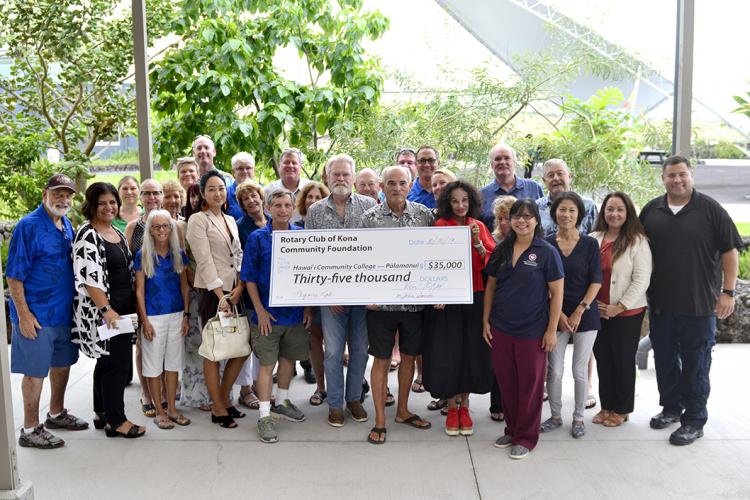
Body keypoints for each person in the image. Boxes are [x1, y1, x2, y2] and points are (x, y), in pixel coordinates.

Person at [639, 155, 742, 446]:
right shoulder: (652, 210)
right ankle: (671, 407)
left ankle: (694, 419)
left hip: (700, 305)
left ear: (691, 175)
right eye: (671, 175)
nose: (677, 180)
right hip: (661, 304)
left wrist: (728, 292)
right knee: (665, 360)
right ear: (663, 178)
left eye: (682, 174)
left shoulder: (710, 209)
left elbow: (730, 250)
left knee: (697, 363)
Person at [7, 174, 89, 449]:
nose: (63, 199)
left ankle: (55, 413)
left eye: (67, 195)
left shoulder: (65, 224)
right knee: (34, 373)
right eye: (57, 194)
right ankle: (30, 429)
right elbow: (14, 276)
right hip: (37, 316)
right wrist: (24, 315)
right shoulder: (28, 226)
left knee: (62, 364)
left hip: (63, 312)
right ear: (45, 194)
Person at [482, 199, 563, 460]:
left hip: (532, 330)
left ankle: (526, 438)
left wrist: (551, 330)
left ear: (537, 220)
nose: (522, 221)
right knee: (507, 383)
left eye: (528, 216)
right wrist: (485, 320)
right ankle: (513, 429)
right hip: (501, 327)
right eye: (517, 216)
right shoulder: (501, 250)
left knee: (530, 386)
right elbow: (491, 287)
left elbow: (557, 293)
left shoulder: (547, 252)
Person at [360, 166, 435, 444]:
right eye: (390, 183)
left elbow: (435, 252)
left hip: (415, 304)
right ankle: (380, 419)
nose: (396, 187)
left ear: (410, 184)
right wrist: (367, 294)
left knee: (409, 357)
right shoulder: (370, 218)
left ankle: (402, 410)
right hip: (381, 305)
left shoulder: (424, 215)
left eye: (402, 182)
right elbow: (362, 258)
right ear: (381, 185)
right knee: (380, 359)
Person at [305, 153, 377, 427]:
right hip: (330, 297)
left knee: (360, 350)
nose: (341, 179)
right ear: (327, 177)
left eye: (346, 174)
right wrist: (327, 294)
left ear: (354, 178)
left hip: (363, 297)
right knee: (333, 352)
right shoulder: (315, 211)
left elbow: (376, 251)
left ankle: (354, 399)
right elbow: (311, 257)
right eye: (336, 174)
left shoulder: (370, 206)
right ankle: (335, 404)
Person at [72, 182, 145, 438]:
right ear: (91, 205)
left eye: (112, 202)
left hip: (122, 310)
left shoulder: (115, 231)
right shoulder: (88, 234)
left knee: (106, 362)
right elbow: (88, 278)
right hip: (107, 313)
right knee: (117, 364)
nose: (108, 207)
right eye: (102, 203)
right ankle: (117, 421)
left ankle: (102, 413)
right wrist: (106, 310)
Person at [422, 180, 495, 436]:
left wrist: (477, 242)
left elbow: (491, 265)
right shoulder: (441, 227)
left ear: (471, 201)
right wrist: (437, 293)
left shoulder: (480, 227)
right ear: (447, 203)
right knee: (449, 354)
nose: (460, 205)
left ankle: (465, 405)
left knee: (470, 354)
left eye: (464, 200)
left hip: (474, 298)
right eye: (455, 201)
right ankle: (451, 407)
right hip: (448, 303)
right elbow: (432, 264)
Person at [241, 190, 312, 443]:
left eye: (287, 205)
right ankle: (264, 416)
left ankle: (282, 402)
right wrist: (259, 310)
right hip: (267, 315)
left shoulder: (301, 237)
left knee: (288, 360)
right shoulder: (258, 238)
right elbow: (248, 278)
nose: (283, 209)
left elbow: (309, 275)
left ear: (293, 208)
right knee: (267, 365)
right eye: (277, 205)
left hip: (294, 314)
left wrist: (307, 309)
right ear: (269, 208)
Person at [186, 170, 248, 428]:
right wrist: (221, 295)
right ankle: (218, 407)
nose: (217, 193)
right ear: (202, 193)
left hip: (235, 291)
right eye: (211, 188)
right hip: (214, 294)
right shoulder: (198, 221)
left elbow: (239, 255)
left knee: (242, 348)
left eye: (221, 188)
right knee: (214, 351)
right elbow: (204, 260)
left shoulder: (231, 219)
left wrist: (240, 287)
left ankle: (221, 398)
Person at [541, 192, 602, 439]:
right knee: (554, 370)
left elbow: (596, 280)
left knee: (579, 370)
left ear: (579, 214)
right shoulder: (545, 243)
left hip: (585, 314)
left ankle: (578, 418)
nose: (566, 215)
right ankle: (555, 416)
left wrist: (578, 311)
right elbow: (542, 283)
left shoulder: (589, 244)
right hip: (555, 315)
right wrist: (560, 315)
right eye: (562, 210)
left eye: (572, 210)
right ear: (555, 212)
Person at [591, 192, 652, 427]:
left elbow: (641, 279)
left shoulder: (638, 242)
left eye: (619, 209)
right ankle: (606, 405)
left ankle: (622, 408)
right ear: (603, 212)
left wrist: (620, 306)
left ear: (628, 213)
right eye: (609, 209)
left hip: (626, 312)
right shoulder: (593, 238)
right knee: (603, 359)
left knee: (623, 360)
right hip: (597, 310)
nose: (614, 214)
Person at [134, 209, 191, 430]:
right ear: (149, 229)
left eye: (165, 226)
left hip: (176, 314)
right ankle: (159, 411)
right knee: (153, 366)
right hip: (153, 316)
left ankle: (173, 409)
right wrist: (144, 321)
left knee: (173, 365)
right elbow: (139, 290)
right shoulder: (143, 255)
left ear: (171, 227)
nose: (161, 231)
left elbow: (185, 286)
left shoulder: (178, 253)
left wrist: (186, 315)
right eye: (156, 226)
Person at [124, 178, 165, 418]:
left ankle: (163, 391)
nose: (151, 198)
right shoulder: (133, 227)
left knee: (163, 344)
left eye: (156, 193)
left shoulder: (170, 223)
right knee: (142, 344)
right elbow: (128, 263)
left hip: (166, 296)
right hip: (142, 294)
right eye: (147, 193)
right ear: (140, 197)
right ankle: (147, 394)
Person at [294, 181, 331, 400]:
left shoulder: (332, 226)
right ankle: (320, 386)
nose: (314, 201)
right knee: (315, 340)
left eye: (319, 197)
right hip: (309, 294)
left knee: (337, 344)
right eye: (310, 197)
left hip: (333, 292)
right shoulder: (296, 228)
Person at [232, 180, 267, 410]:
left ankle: (260, 387)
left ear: (261, 197)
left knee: (265, 343)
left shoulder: (274, 220)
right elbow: (240, 261)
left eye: (254, 195)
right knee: (249, 342)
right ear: (242, 205)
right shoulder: (240, 226)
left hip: (272, 293)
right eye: (246, 199)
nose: (251, 201)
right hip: (249, 290)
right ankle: (245, 391)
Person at [486, 195, 517, 423]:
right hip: (497, 307)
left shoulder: (530, 242)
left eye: (508, 218)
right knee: (499, 361)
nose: (504, 223)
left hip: (524, 309)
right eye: (500, 218)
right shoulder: (492, 241)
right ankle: (497, 403)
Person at [480, 143, 543, 231]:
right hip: (494, 244)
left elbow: (543, 221)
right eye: (498, 159)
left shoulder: (534, 188)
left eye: (507, 158)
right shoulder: (482, 195)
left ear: (514, 162)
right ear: (491, 165)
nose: (502, 162)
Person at [535, 159, 598, 237]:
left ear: (570, 177)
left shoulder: (588, 205)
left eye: (560, 173)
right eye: (551, 175)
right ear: (544, 181)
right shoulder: (536, 207)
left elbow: (596, 236)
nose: (556, 178)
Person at [263, 148, 310, 223]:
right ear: (279, 166)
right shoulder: (267, 192)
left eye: (294, 163)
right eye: (286, 162)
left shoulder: (311, 189)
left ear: (300, 167)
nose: (290, 165)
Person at [226, 152, 257, 220]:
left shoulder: (263, 193)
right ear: (233, 172)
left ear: (254, 170)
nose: (245, 171)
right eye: (240, 168)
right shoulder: (225, 194)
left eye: (248, 168)